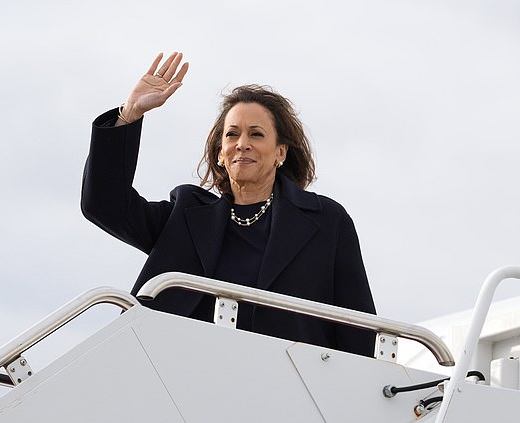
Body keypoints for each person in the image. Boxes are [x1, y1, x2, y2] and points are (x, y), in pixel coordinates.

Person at [81, 52, 376, 357]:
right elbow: (103, 204)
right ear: (220, 153)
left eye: (256, 134)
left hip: (292, 384)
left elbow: (358, 329)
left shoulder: (327, 221)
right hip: (179, 375)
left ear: (280, 153)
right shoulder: (185, 214)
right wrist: (129, 113)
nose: (242, 143)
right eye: (232, 134)